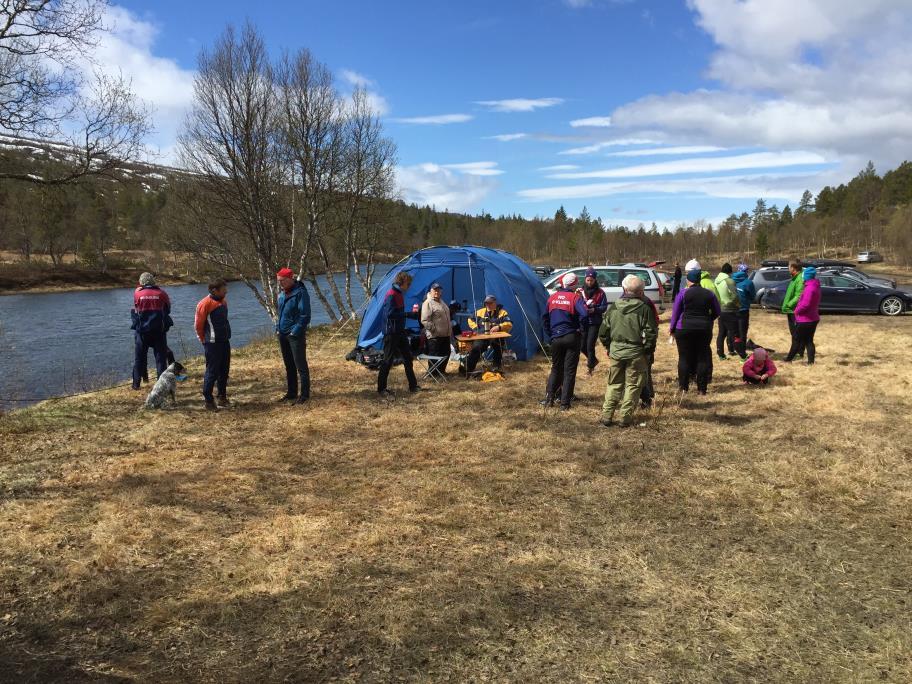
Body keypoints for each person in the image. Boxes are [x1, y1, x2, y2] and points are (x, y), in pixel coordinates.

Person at [598, 275, 658, 427]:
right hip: (636, 353)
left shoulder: (614, 307)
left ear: (624, 289)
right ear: (641, 292)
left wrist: (610, 347)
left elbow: (603, 332)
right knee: (633, 385)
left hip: (617, 352)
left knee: (614, 384)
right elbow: (651, 333)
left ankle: (606, 416)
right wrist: (647, 352)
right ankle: (625, 419)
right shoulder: (645, 309)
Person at [541, 272, 589, 410]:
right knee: (569, 371)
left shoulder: (552, 298)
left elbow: (544, 318)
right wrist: (581, 329)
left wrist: (550, 334)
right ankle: (564, 403)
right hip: (571, 336)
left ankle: (549, 398)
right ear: (574, 284)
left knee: (555, 368)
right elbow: (585, 314)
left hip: (556, 337)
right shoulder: (575, 297)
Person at [669, 268, 720, 394]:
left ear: (688, 280)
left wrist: (672, 328)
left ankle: (683, 388)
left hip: (684, 328)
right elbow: (717, 311)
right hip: (704, 328)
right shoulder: (709, 294)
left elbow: (675, 312)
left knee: (684, 357)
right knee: (702, 358)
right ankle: (702, 389)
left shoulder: (682, 293)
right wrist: (708, 319)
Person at [377, 271, 420, 395]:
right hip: (391, 332)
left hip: (400, 331)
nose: (409, 286)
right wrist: (407, 314)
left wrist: (409, 315)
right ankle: (381, 389)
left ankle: (413, 386)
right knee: (388, 360)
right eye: (408, 283)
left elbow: (397, 313)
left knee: (408, 358)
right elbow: (390, 314)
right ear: (402, 282)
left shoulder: (399, 293)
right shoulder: (391, 294)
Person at [275, 267, 311, 404]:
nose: (280, 283)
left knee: (300, 365)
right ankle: (291, 393)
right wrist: (278, 328)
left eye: (282, 281)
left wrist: (295, 331)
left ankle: (305, 395)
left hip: (295, 335)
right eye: (278, 281)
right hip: (283, 334)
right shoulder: (282, 294)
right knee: (288, 365)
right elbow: (281, 314)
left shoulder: (301, 293)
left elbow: (305, 315)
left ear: (290, 279)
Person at [131, 272, 171, 390]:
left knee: (139, 358)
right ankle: (161, 386)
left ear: (141, 282)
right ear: (153, 281)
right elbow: (168, 309)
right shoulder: (162, 293)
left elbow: (136, 309)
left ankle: (136, 384)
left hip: (142, 331)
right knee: (160, 359)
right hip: (159, 331)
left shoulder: (137, 294)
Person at [194, 279, 231, 410]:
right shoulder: (204, 304)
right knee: (212, 371)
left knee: (224, 371)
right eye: (223, 289)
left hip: (225, 341)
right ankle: (208, 400)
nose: (226, 291)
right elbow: (198, 325)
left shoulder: (223, 302)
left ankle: (222, 397)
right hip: (212, 343)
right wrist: (203, 340)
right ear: (214, 290)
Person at [466, 294, 512, 374]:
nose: (488, 305)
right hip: (482, 336)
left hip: (497, 337)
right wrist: (476, 328)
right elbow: (470, 319)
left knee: (499, 347)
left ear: (495, 303)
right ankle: (469, 370)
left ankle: (496, 367)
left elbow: (509, 324)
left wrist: (499, 327)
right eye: (486, 303)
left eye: (490, 303)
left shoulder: (502, 312)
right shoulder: (480, 312)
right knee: (476, 348)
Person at [785, 266, 821, 364]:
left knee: (796, 339)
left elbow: (805, 304)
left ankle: (788, 360)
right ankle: (810, 362)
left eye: (803, 275)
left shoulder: (810, 288)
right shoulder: (814, 286)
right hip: (812, 318)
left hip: (806, 319)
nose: (802, 277)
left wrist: (796, 311)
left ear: (807, 276)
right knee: (808, 341)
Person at [578, 267, 608, 374]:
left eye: (592, 280)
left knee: (590, 345)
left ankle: (590, 368)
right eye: (588, 280)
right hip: (583, 321)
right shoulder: (580, 292)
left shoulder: (600, 293)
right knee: (582, 346)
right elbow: (576, 305)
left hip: (594, 322)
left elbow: (604, 307)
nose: (589, 282)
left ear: (595, 280)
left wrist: (594, 309)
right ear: (585, 279)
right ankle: (594, 361)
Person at [420, 283, 451, 375]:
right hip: (435, 335)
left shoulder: (441, 301)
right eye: (435, 290)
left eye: (439, 290)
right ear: (431, 291)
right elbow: (424, 320)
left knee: (446, 353)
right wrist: (434, 329)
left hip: (445, 334)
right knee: (435, 355)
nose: (437, 292)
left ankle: (441, 371)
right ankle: (433, 374)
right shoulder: (428, 303)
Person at [714, 263, 740, 360]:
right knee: (735, 333)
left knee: (722, 333)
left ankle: (721, 354)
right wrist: (737, 305)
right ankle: (742, 355)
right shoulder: (729, 281)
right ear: (730, 272)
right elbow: (735, 296)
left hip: (720, 309)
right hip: (730, 310)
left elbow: (716, 295)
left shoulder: (716, 280)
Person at [731, 264, 757, 359]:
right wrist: (747, 301)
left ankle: (733, 349)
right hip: (743, 310)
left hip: (732, 309)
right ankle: (742, 354)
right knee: (742, 332)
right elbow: (753, 296)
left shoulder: (731, 280)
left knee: (734, 332)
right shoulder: (748, 282)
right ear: (746, 271)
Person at [781, 261, 804, 352]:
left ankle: (797, 352)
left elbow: (799, 295)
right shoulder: (794, 278)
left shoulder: (799, 279)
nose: (788, 269)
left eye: (789, 267)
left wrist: (789, 304)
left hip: (794, 310)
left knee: (796, 333)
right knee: (794, 333)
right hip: (790, 310)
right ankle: (797, 351)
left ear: (794, 268)